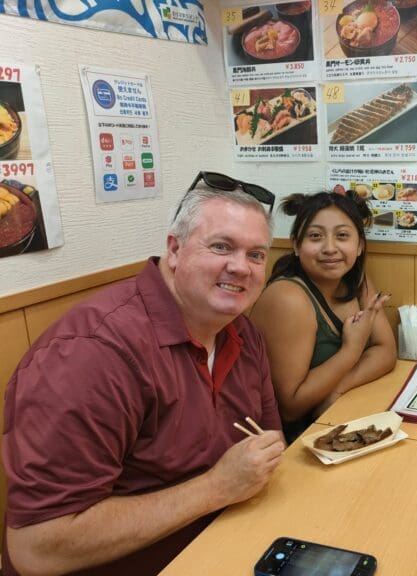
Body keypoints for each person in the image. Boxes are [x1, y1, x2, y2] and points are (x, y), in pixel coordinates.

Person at [2, 171, 286, 575]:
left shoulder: (240, 331)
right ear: (174, 249)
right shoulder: (92, 355)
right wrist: (216, 488)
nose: (241, 267)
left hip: (226, 545)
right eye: (221, 246)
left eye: (256, 255)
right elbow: (38, 548)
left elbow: (270, 439)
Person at [250, 190, 396, 443]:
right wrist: (352, 349)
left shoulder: (355, 279)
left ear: (359, 246)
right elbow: (291, 407)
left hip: (336, 418)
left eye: (342, 236)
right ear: (296, 244)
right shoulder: (288, 299)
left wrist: (338, 388)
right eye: (315, 236)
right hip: (293, 440)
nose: (330, 248)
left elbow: (386, 351)